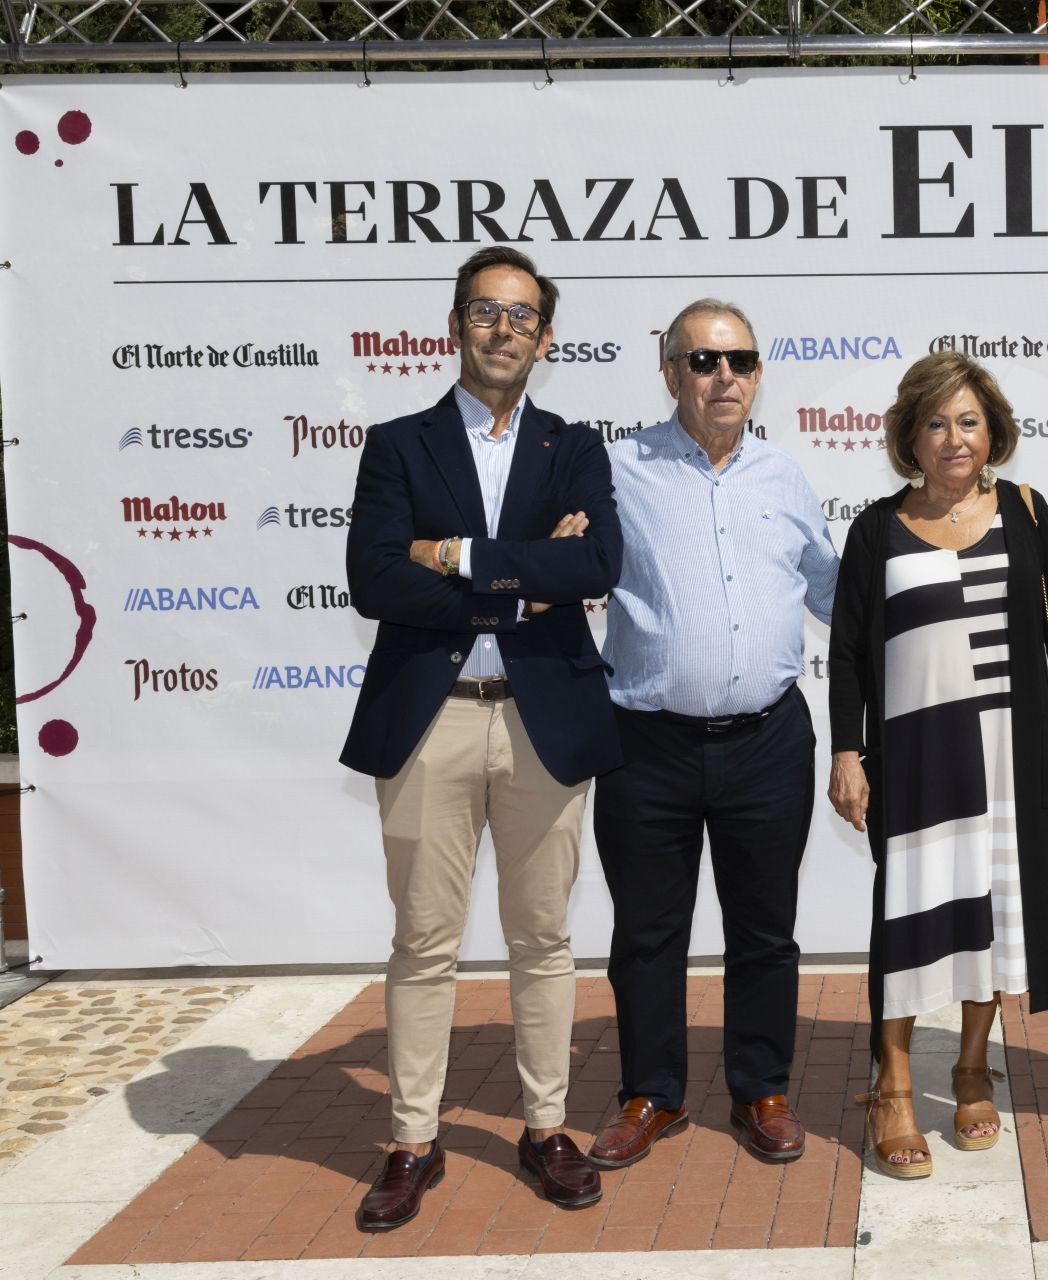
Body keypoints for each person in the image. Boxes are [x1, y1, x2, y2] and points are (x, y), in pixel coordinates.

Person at [341, 246, 620, 1230]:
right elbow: (375, 578)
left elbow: (597, 560)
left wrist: (455, 557)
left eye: (522, 314)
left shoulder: (574, 445)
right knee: (423, 941)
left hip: (544, 717)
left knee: (544, 937)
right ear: (456, 325)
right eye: (485, 311)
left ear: (546, 336)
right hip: (433, 723)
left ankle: (545, 1124)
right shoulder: (399, 444)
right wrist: (523, 573)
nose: (503, 329)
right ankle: (413, 1139)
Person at [826, 352, 1048, 1178]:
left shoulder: (1027, 511)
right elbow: (845, 657)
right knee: (907, 915)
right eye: (936, 422)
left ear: (993, 432)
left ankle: (974, 1066)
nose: (954, 438)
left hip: (1007, 751)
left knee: (995, 911)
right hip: (915, 756)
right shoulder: (876, 528)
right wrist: (845, 751)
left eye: (969, 421)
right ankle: (895, 1079)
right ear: (910, 435)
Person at [588, 300, 839, 1169]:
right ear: (669, 374)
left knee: (765, 931)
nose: (724, 377)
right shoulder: (616, 471)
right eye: (703, 362)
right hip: (644, 746)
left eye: (740, 360)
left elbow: (834, 594)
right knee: (647, 934)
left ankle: (759, 1090)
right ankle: (650, 1094)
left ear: (760, 372)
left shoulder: (785, 475)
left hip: (768, 744)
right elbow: (563, 567)